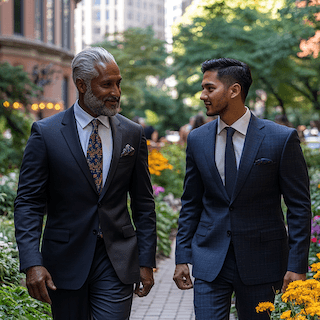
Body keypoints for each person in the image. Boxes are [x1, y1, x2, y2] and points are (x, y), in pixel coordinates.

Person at [14, 47, 157, 320]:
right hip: (65, 262)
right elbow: (28, 203)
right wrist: (32, 262)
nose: (116, 91)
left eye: (118, 83)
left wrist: (146, 260)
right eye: (107, 84)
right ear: (81, 85)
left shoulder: (132, 133)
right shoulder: (46, 134)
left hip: (116, 260)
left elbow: (143, 202)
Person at [173, 58, 311, 319]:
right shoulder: (198, 139)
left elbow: (299, 206)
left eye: (209, 88)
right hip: (209, 259)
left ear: (234, 90)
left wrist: (296, 264)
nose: (203, 95)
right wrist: (182, 256)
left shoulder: (280, 139)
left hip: (262, 260)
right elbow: (191, 202)